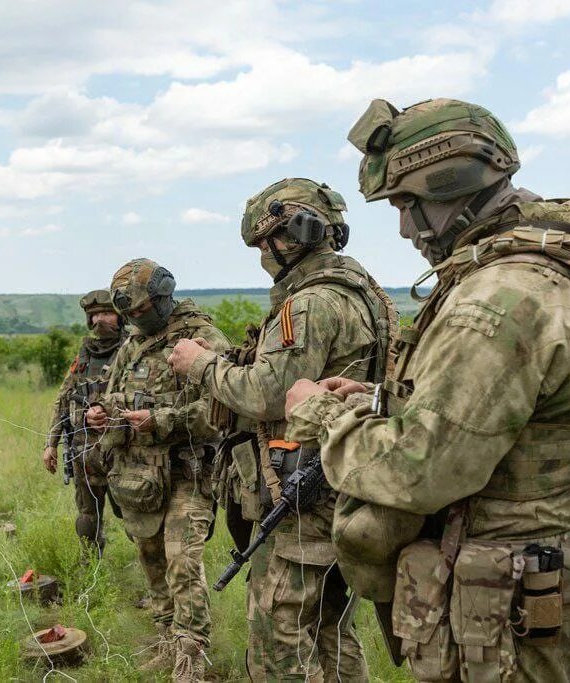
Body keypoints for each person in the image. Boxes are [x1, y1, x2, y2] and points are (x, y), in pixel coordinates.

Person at [284, 99, 570, 682]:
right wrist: (377, 400)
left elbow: (420, 469)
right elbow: (531, 417)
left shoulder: (499, 297)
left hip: (502, 594)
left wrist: (316, 412)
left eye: (408, 204)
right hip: (558, 563)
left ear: (452, 184)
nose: (404, 227)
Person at [168, 177, 396, 681]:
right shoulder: (367, 294)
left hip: (305, 495)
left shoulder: (310, 303)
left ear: (286, 237)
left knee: (278, 634)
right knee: (332, 630)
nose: (263, 257)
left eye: (263, 245)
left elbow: (272, 393)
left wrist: (201, 363)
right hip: (343, 483)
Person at [85, 258, 229, 682]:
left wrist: (163, 420)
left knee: (182, 561)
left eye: (140, 312)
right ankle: (169, 641)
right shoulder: (132, 345)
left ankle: (191, 659)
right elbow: (117, 395)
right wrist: (102, 412)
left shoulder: (203, 339)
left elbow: (223, 409)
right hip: (139, 478)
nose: (132, 320)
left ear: (163, 300)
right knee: (151, 559)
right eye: (127, 314)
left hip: (189, 473)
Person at [42, 289, 127, 557]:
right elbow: (63, 399)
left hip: (122, 451)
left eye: (106, 313)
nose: (100, 320)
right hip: (84, 453)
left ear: (120, 317)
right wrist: (51, 444)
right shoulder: (84, 356)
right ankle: (90, 568)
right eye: (95, 315)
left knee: (133, 514)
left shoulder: (132, 352)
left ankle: (152, 574)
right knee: (88, 518)